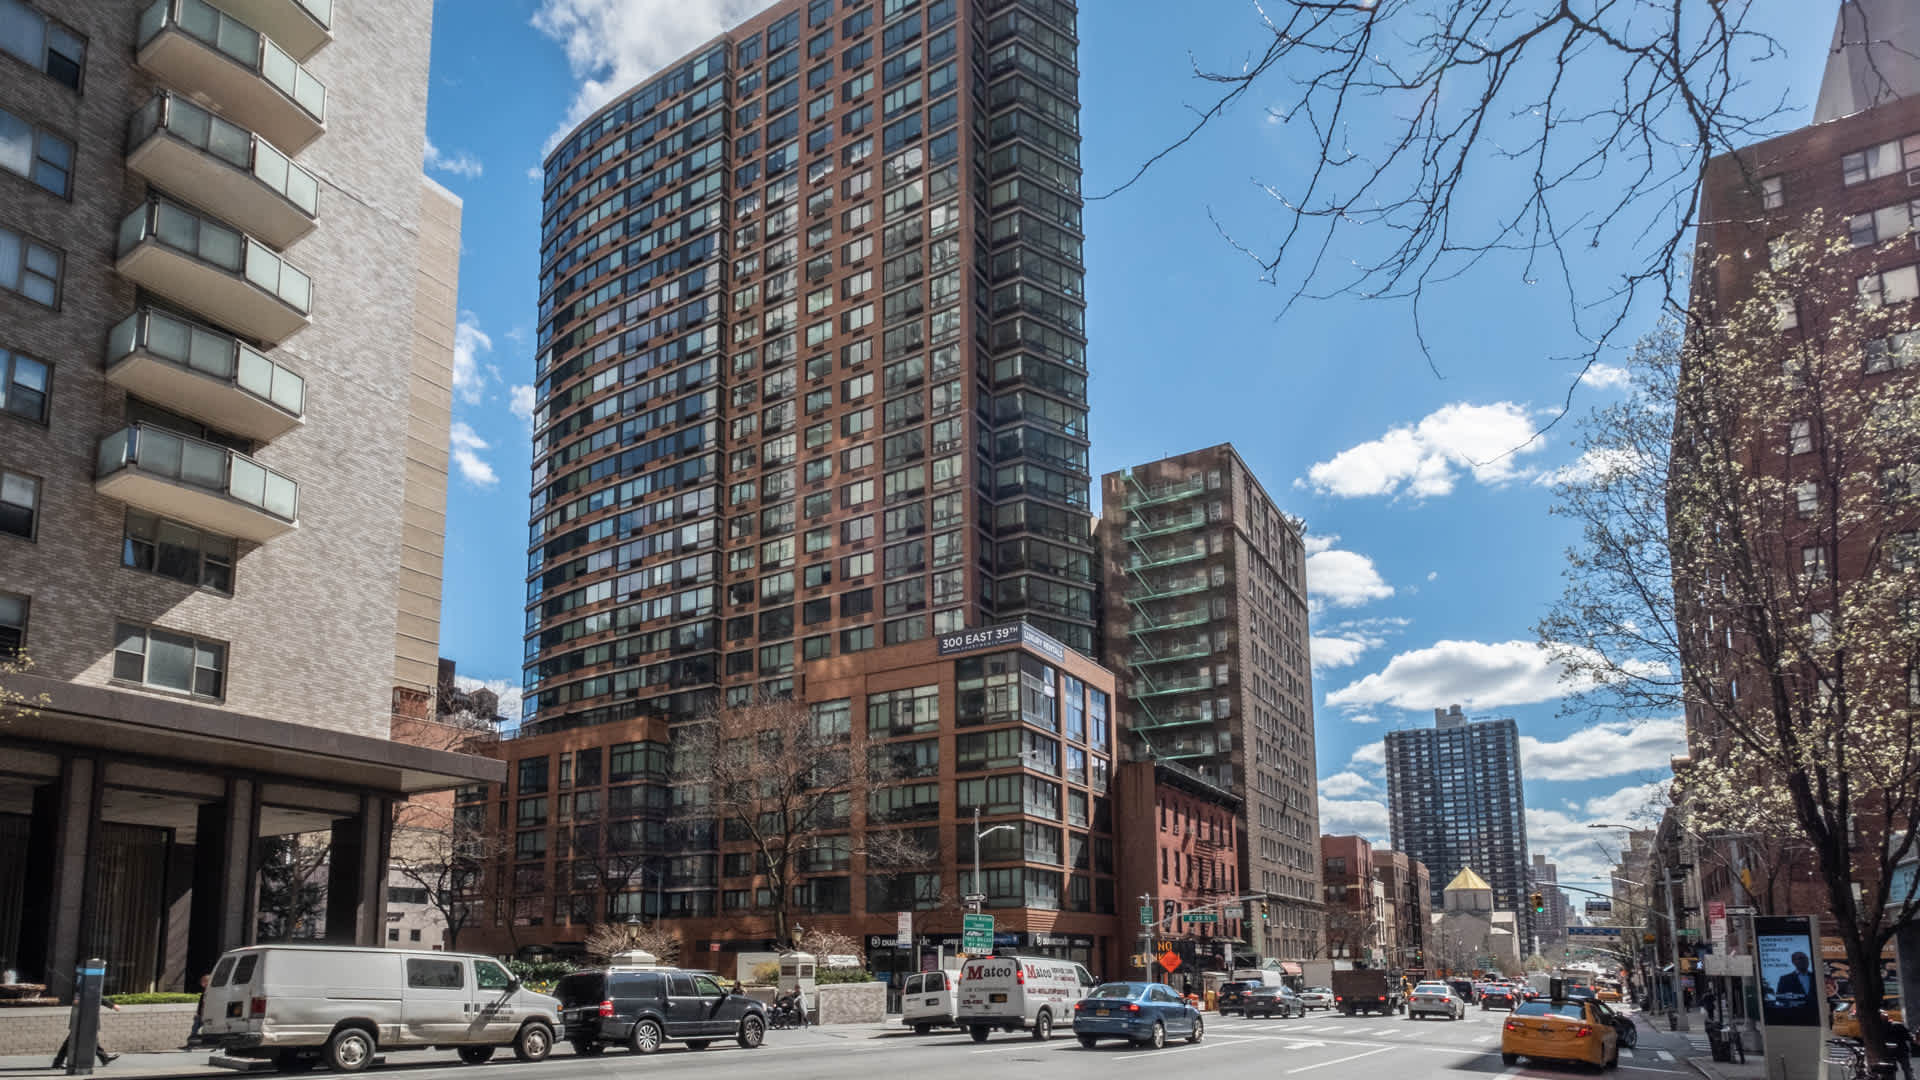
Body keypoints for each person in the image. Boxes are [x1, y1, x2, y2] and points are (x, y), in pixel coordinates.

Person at [53, 999, 121, 1069]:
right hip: (84, 1017)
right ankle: (58, 1062)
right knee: (72, 1041)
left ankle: (104, 1058)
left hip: (84, 1016)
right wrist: (112, 1005)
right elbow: (95, 996)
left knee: (90, 1040)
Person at [182, 973, 211, 1049]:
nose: (202, 983)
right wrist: (198, 1013)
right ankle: (191, 1045)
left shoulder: (211, 992)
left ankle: (196, 1045)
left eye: (204, 981)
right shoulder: (205, 992)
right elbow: (201, 1004)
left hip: (206, 1015)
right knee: (194, 1030)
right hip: (201, 1015)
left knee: (202, 1030)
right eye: (202, 981)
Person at [1884, 1011, 1915, 1080]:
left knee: (1891, 1071)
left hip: (1889, 1052)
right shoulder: (1898, 1025)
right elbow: (1908, 1036)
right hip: (1902, 1050)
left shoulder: (1880, 1028)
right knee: (1907, 1069)